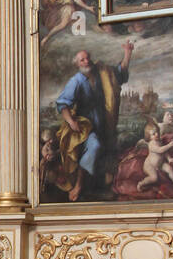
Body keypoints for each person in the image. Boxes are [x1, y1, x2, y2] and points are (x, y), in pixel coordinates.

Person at [55, 40, 134, 200]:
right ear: (77, 64)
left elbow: (120, 73)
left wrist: (128, 53)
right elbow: (63, 104)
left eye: (87, 58)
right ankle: (79, 184)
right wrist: (71, 122)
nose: (87, 61)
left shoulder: (102, 72)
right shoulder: (76, 81)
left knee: (109, 155)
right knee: (94, 146)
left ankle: (98, 187)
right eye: (82, 60)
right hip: (85, 126)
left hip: (105, 122)